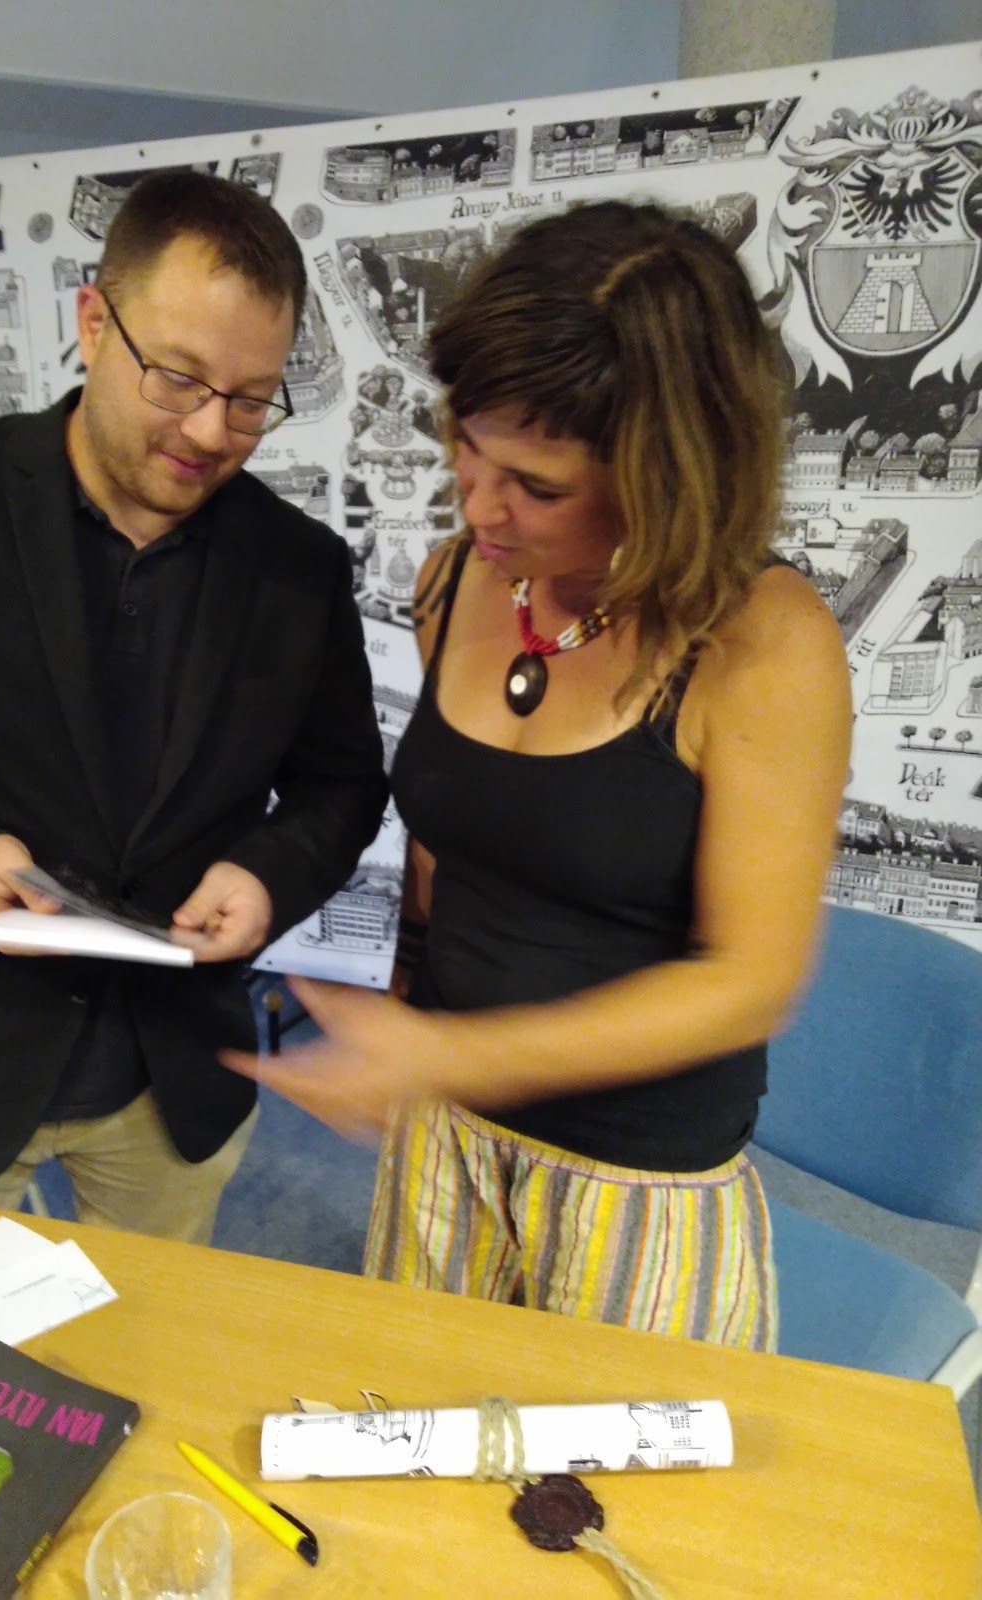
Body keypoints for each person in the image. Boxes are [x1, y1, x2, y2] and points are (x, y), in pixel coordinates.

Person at [224, 199, 852, 1350]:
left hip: (636, 1179)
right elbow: (448, 844)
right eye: (466, 445)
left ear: (669, 478)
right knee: (412, 1419)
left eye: (537, 485)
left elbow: (752, 979)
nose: (477, 502)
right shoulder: (460, 577)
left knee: (604, 1461)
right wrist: (397, 997)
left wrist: (451, 1053)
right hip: (445, 1131)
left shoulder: (765, 643)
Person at [0, 170, 387, 1241]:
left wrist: (266, 875)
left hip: (173, 1072)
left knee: (148, 1337)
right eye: (179, 379)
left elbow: (340, 784)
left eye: (252, 399)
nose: (212, 431)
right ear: (94, 322)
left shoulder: (298, 565)